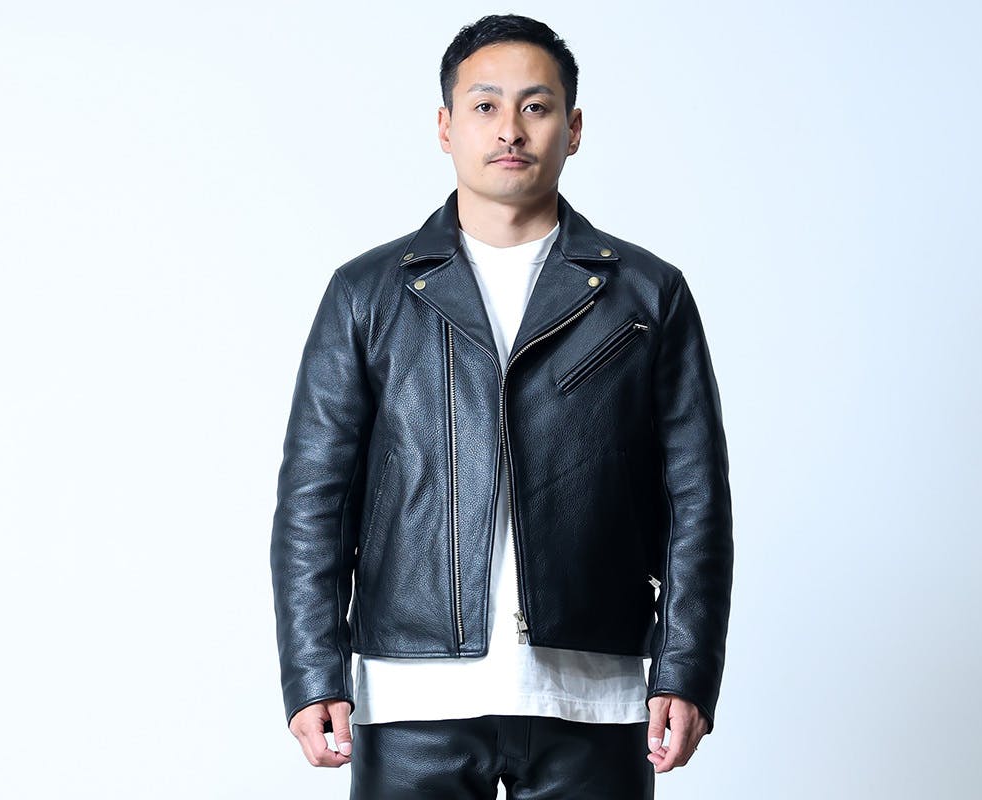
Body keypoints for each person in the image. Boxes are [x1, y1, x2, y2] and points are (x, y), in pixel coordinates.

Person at [270, 13, 733, 799]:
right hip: (412, 695)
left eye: (536, 106)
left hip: (591, 692)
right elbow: (315, 497)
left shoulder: (648, 294)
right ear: (445, 126)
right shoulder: (366, 294)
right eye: (484, 106)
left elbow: (698, 500)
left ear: (573, 128)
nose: (510, 129)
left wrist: (685, 667)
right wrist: (312, 670)